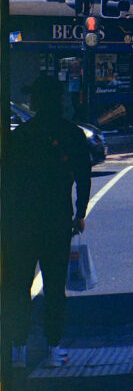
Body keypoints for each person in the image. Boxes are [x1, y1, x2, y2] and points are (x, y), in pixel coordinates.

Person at [5, 74, 92, 368]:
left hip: (22, 220)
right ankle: (54, 347)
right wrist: (80, 213)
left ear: (35, 101)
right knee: (55, 286)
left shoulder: (21, 136)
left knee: (19, 284)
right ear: (60, 99)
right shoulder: (73, 134)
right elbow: (83, 177)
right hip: (57, 219)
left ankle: (18, 347)